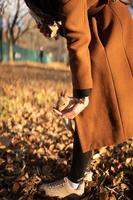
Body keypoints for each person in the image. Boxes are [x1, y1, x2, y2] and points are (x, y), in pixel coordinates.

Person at [24, 0, 133, 198]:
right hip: (99, 26)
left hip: (107, 29)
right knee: (96, 108)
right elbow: (76, 18)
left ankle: (75, 184)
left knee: (90, 108)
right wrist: (58, 27)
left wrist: (82, 94)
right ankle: (78, 178)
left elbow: (77, 36)